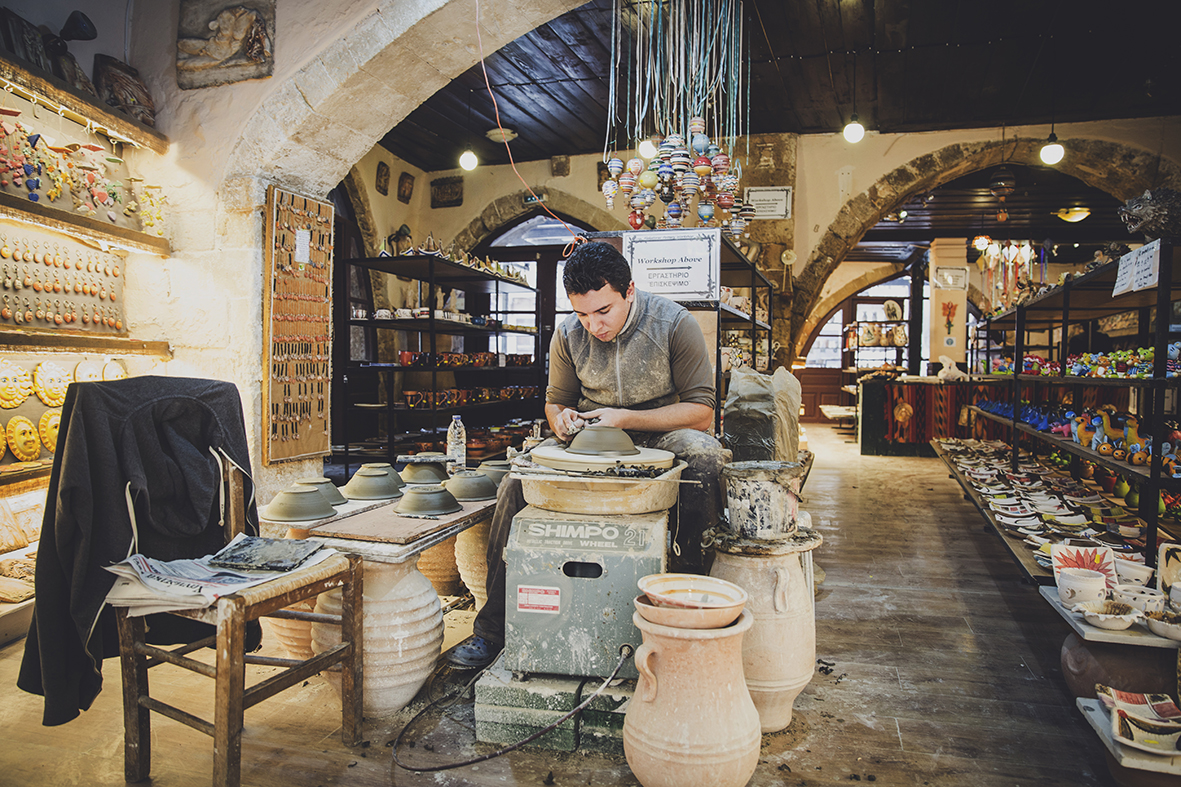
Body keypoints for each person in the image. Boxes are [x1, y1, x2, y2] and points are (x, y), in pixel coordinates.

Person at [446, 241, 729, 668]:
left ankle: (687, 613)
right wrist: (561, 420)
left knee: (705, 458)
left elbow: (701, 412)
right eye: (582, 314)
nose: (593, 325)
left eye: (603, 311)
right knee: (517, 479)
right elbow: (555, 402)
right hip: (592, 436)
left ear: (628, 291)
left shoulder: (673, 323)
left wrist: (625, 419)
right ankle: (492, 629)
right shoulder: (568, 334)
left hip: (661, 434)